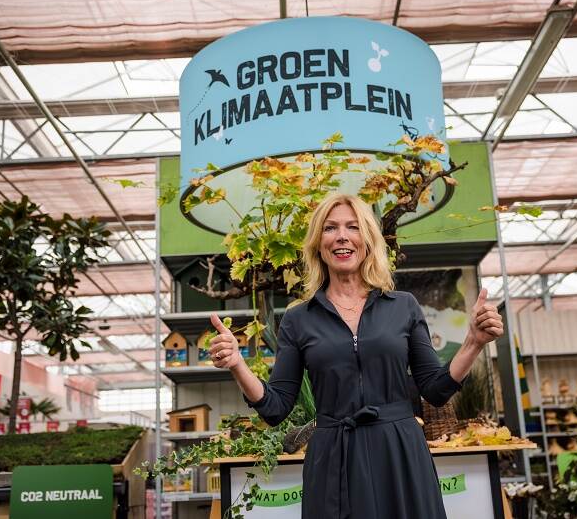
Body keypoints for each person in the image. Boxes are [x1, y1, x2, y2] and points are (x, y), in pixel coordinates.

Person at [208, 193, 503, 519]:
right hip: (334, 456)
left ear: (368, 240)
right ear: (318, 244)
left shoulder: (403, 306)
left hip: (399, 452)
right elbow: (276, 407)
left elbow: (435, 388)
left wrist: (473, 343)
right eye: (330, 228)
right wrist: (237, 365)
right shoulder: (298, 318)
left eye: (353, 227)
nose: (342, 236)